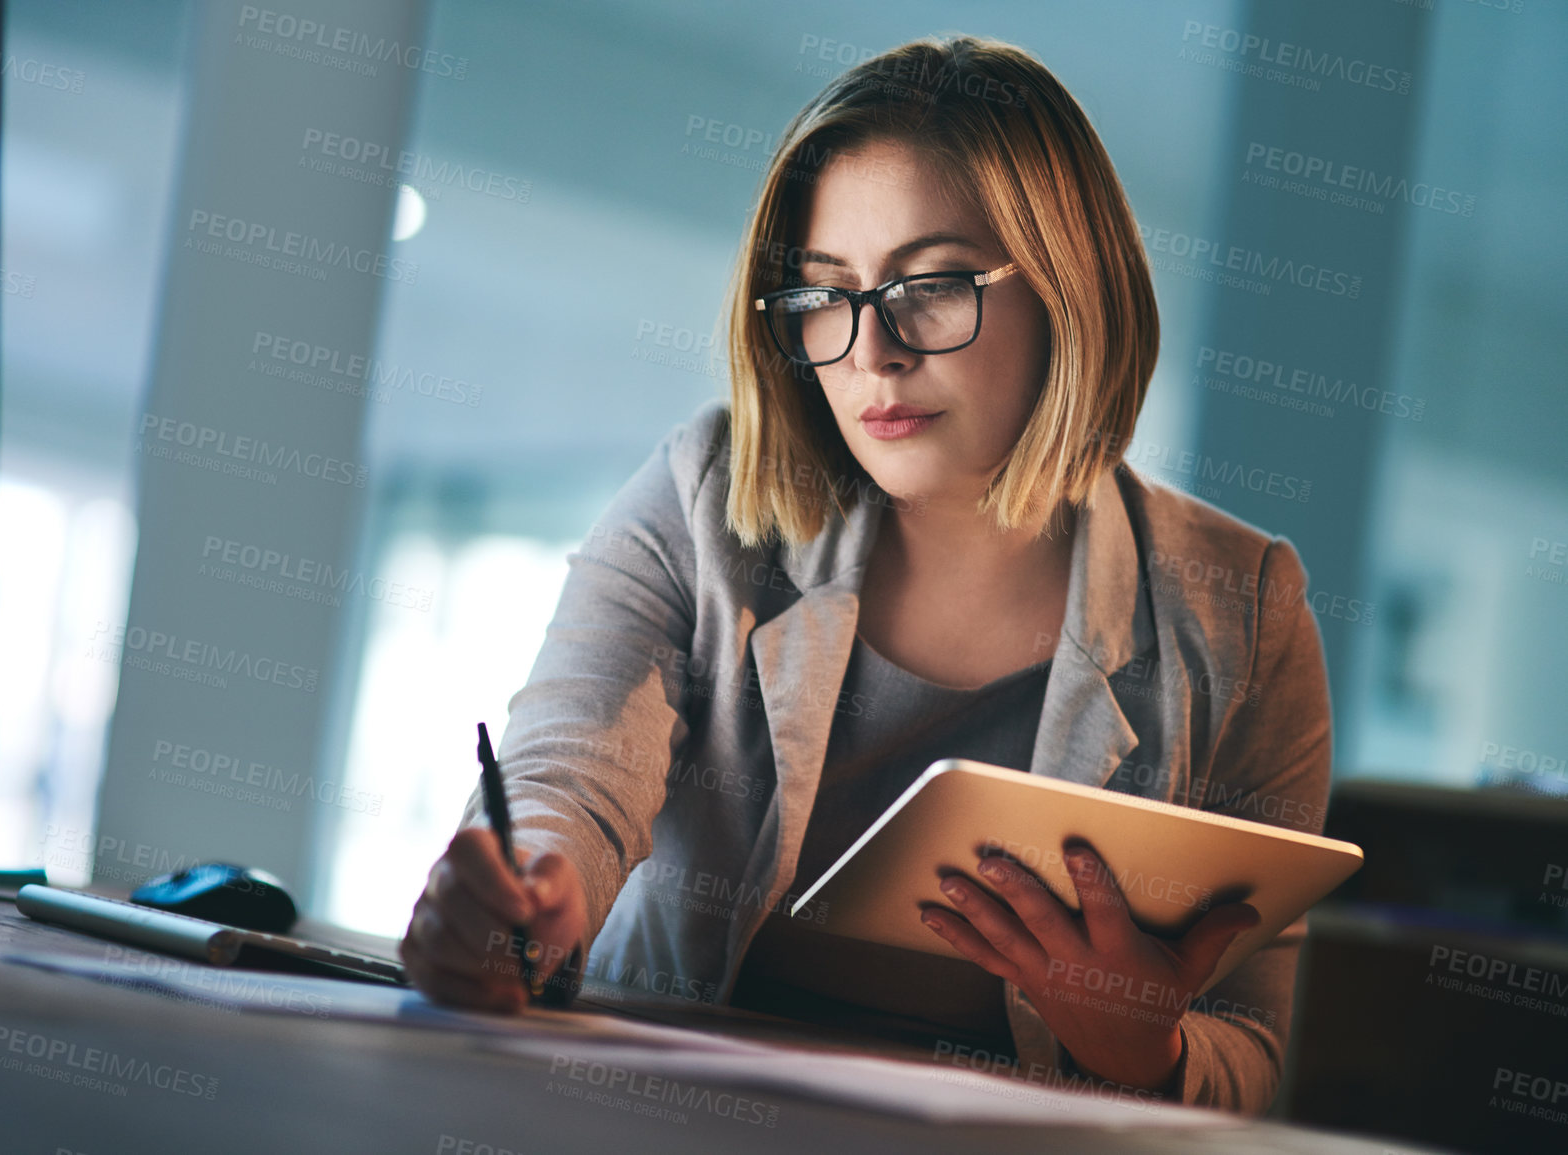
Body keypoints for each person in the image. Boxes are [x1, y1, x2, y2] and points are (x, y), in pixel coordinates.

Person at [399, 35, 1329, 1116]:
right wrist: (529, 903)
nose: (871, 353)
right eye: (826, 296)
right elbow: (567, 789)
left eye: (930, 287)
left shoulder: (1241, 607)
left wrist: (1145, 1053)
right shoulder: (709, 496)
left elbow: (1253, 1050)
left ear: (1070, 291)